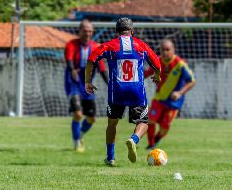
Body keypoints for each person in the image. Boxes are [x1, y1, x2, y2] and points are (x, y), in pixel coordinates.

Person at [85, 17, 161, 166]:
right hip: (136, 91)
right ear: (132, 31)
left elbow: (91, 60)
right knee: (143, 122)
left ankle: (110, 157)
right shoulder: (141, 45)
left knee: (112, 124)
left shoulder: (109, 45)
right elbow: (156, 63)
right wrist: (157, 75)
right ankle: (134, 139)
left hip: (117, 92)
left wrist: (88, 81)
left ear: (116, 31)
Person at [64, 20, 108, 152]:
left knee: (91, 118)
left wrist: (111, 84)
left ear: (92, 32)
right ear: (79, 31)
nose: (87, 33)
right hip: (73, 84)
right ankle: (76, 142)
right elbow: (69, 59)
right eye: (85, 30)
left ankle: (80, 136)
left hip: (87, 86)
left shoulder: (96, 48)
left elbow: (101, 68)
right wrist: (72, 69)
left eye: (90, 31)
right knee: (78, 114)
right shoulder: (71, 44)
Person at [144, 39, 195, 149]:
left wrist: (180, 93)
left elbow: (191, 81)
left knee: (164, 128)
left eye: (168, 49)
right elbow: (147, 73)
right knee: (151, 120)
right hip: (159, 98)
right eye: (163, 50)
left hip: (173, 102)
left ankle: (156, 140)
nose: (165, 52)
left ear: (173, 50)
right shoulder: (156, 61)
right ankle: (151, 145)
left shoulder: (180, 65)